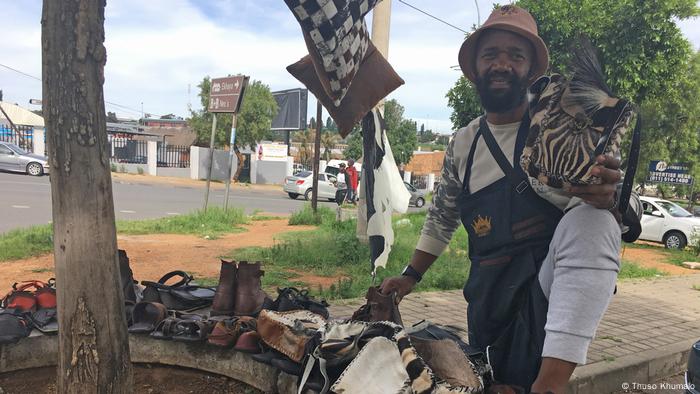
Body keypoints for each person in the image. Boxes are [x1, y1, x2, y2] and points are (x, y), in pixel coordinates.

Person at [380, 5, 636, 393]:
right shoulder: (463, 143)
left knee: (594, 221)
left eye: (516, 56)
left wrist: (609, 196)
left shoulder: (561, 131)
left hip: (545, 301)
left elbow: (607, 211)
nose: (502, 64)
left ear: (531, 70)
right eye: (491, 55)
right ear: (476, 69)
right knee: (488, 382)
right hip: (488, 301)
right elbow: (443, 215)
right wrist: (410, 276)